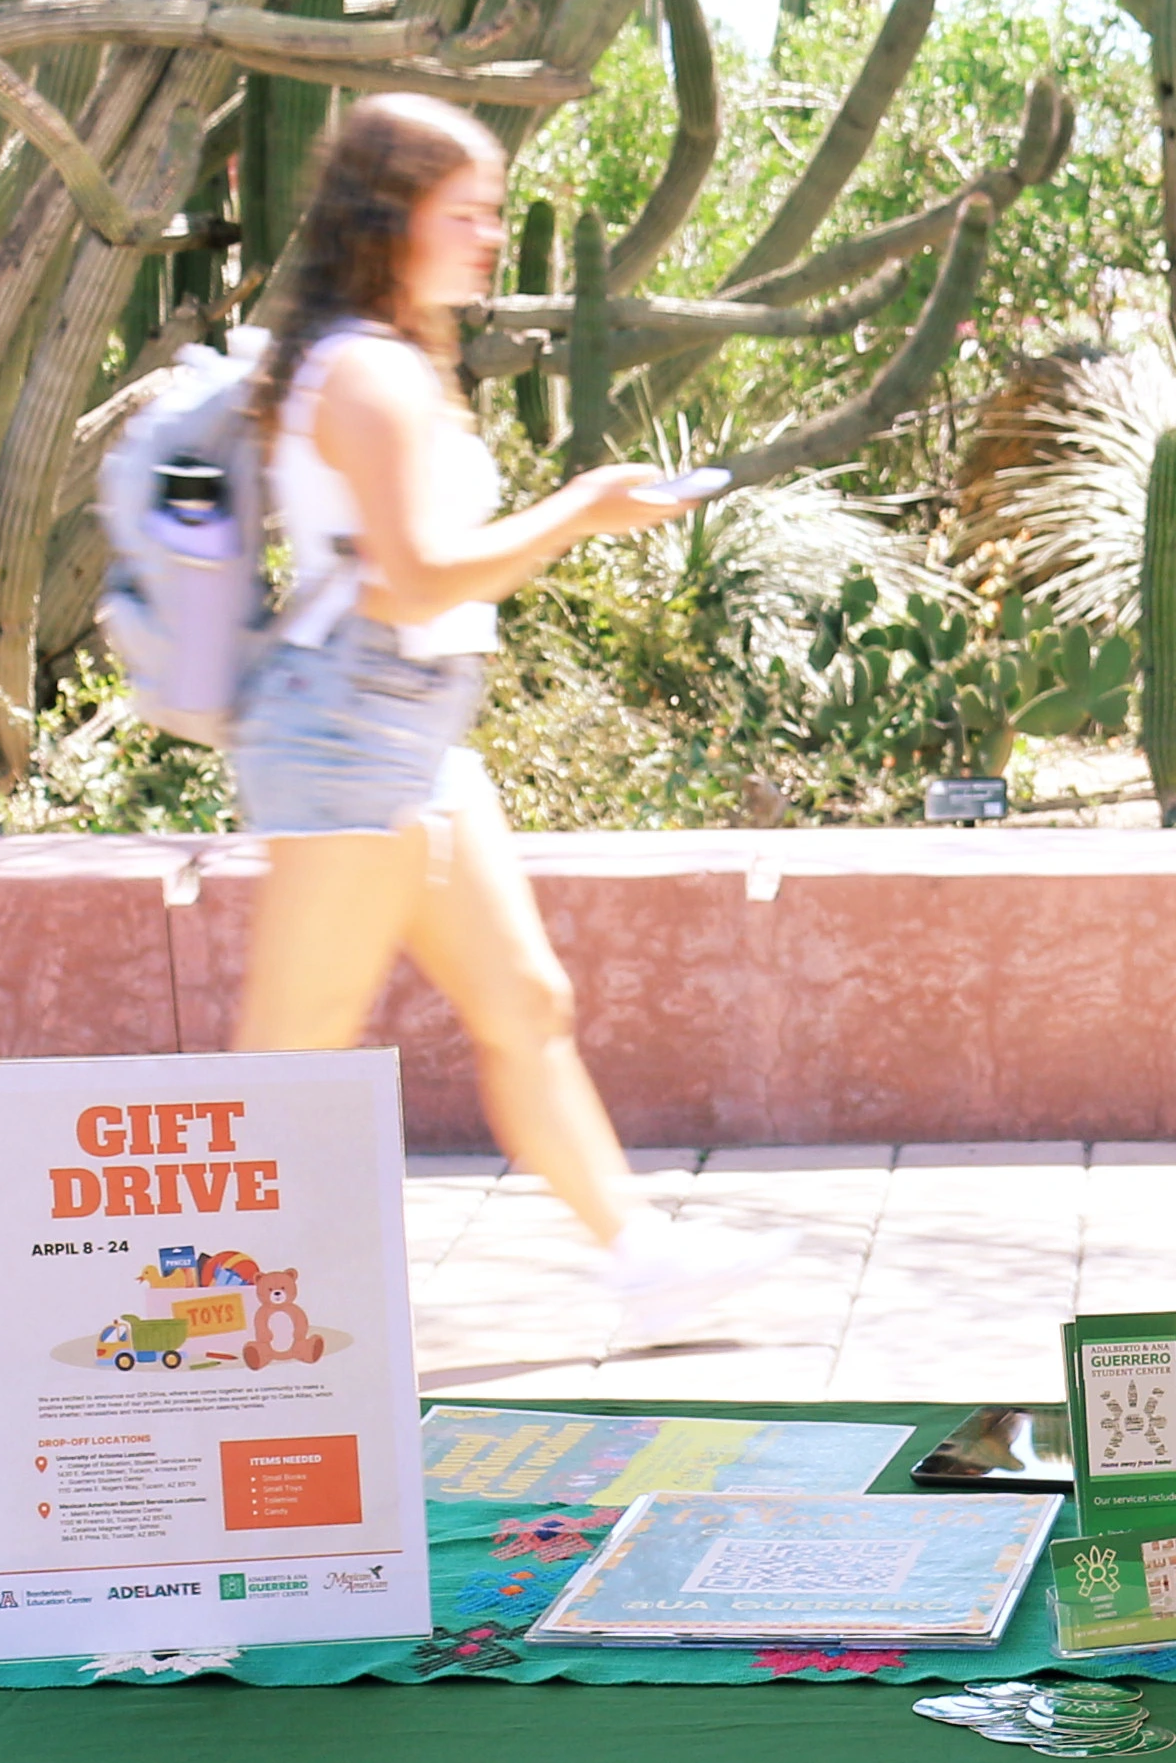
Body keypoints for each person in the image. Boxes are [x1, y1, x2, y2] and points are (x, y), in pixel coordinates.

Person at [227, 93, 779, 1337]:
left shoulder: (385, 358)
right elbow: (416, 573)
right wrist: (584, 506)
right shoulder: (365, 372)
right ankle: (208, 1314)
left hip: (406, 720)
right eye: (463, 212)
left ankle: (643, 1262)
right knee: (291, 1052)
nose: (487, 236)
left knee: (525, 1002)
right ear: (390, 218)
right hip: (353, 724)